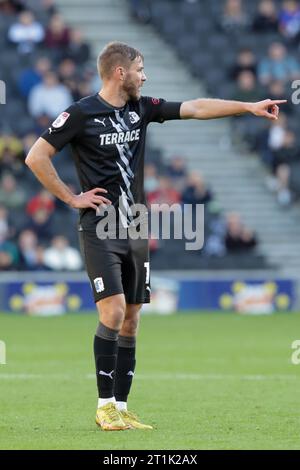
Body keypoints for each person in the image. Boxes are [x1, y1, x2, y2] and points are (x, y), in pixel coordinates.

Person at [25, 41, 286, 431]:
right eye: (140, 69)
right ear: (120, 73)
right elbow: (35, 157)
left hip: (135, 228)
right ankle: (103, 406)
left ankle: (123, 407)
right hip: (100, 227)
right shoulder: (80, 114)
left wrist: (247, 107)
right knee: (111, 312)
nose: (144, 77)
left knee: (131, 320)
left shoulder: (141, 109)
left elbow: (195, 107)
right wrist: (70, 197)